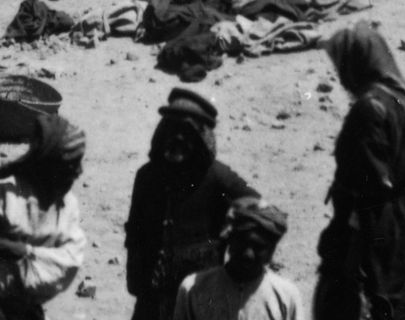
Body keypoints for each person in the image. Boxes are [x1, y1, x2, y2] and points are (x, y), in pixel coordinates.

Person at [315, 25, 405, 320]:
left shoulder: (368, 109)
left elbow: (366, 184)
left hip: (369, 226)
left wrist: (350, 247)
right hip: (400, 220)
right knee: (395, 299)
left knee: (358, 301)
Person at [126, 88, 259, 320]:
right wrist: (136, 279)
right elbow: (135, 231)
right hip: (153, 294)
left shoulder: (217, 177)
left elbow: (259, 209)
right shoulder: (147, 176)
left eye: (185, 133)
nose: (177, 139)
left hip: (200, 294)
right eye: (171, 129)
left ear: (199, 138)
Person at [0, 114, 90, 320]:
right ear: (48, 167)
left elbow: (69, 260)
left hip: (24, 306)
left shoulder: (67, 207)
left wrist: (22, 251)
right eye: (71, 166)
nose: (79, 172)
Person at [171, 198, 301, 320]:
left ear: (271, 252)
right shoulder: (194, 288)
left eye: (259, 247)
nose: (248, 254)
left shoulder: (286, 296)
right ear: (230, 240)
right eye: (242, 242)